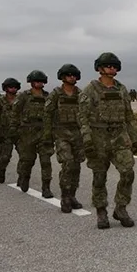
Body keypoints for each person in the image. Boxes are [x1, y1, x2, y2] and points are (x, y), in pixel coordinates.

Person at [78, 52, 137, 229]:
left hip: (119, 137)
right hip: (98, 137)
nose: (112, 68)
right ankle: (101, 211)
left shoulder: (121, 89)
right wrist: (87, 140)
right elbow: (82, 117)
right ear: (100, 68)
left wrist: (134, 138)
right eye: (108, 65)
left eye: (114, 66)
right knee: (99, 176)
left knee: (128, 172)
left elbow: (129, 115)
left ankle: (121, 208)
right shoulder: (91, 89)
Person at [45, 64, 86, 213]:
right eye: (69, 75)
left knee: (76, 166)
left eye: (74, 75)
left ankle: (73, 195)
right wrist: (47, 136)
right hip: (61, 134)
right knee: (68, 164)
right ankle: (65, 197)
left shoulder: (80, 94)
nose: (72, 77)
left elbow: (87, 114)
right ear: (62, 77)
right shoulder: (56, 94)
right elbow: (47, 115)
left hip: (78, 134)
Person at [10, 70, 54, 197]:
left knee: (46, 161)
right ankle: (25, 177)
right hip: (27, 132)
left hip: (44, 132)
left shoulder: (47, 96)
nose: (39, 83)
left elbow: (52, 113)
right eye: (36, 81)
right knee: (27, 160)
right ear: (31, 82)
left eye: (41, 81)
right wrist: (14, 128)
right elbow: (15, 112)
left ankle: (46, 187)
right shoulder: (24, 96)